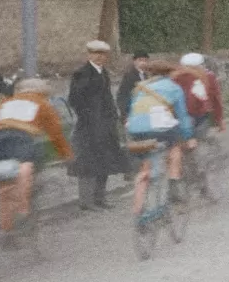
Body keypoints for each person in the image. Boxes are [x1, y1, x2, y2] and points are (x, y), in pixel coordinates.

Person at [0, 79, 74, 234]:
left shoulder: (7, 102)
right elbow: (56, 134)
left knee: (4, 186)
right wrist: (67, 155)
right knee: (26, 166)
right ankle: (24, 209)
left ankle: (7, 229)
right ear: (42, 92)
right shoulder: (43, 104)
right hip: (21, 139)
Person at [68, 40, 130, 211]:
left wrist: (112, 117)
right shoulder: (81, 73)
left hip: (106, 126)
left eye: (102, 54)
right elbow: (74, 100)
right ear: (89, 54)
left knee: (105, 160)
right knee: (88, 162)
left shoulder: (104, 73)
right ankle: (86, 201)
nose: (99, 57)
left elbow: (107, 97)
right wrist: (88, 118)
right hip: (88, 127)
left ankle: (100, 198)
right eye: (95, 53)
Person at [125, 60, 194, 208]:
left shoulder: (140, 88)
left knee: (146, 165)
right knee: (176, 146)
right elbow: (182, 116)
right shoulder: (174, 88)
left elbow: (131, 111)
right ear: (169, 73)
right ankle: (174, 181)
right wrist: (188, 136)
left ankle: (138, 210)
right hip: (159, 129)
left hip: (135, 130)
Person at [171, 53, 225, 200]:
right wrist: (219, 119)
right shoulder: (208, 76)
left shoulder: (174, 77)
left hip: (177, 118)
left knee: (179, 150)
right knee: (199, 150)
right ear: (201, 65)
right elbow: (215, 98)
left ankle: (177, 183)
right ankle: (203, 186)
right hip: (198, 118)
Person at [116, 51, 149, 126]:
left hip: (144, 111)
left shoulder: (147, 75)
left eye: (145, 60)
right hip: (132, 112)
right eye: (140, 60)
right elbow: (122, 95)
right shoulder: (129, 75)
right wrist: (125, 115)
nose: (143, 63)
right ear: (134, 61)